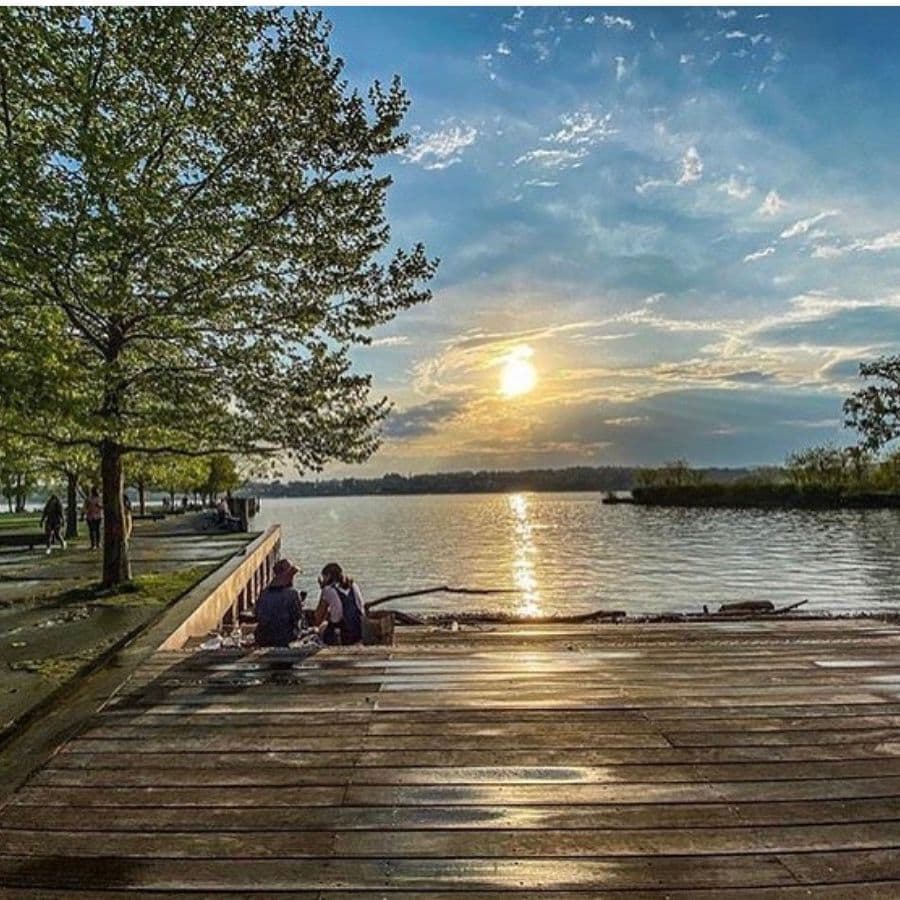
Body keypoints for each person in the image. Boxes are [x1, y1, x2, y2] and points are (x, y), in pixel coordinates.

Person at [255, 558, 304, 647]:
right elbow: (297, 617)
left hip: (263, 638)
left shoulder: (264, 593)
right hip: (285, 638)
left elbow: (257, 615)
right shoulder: (292, 594)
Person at [315, 562, 365, 646]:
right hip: (358, 630)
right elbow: (360, 607)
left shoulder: (328, 590)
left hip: (343, 633)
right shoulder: (352, 585)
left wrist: (322, 590)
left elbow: (319, 616)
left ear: (328, 576)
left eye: (324, 577)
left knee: (320, 629)